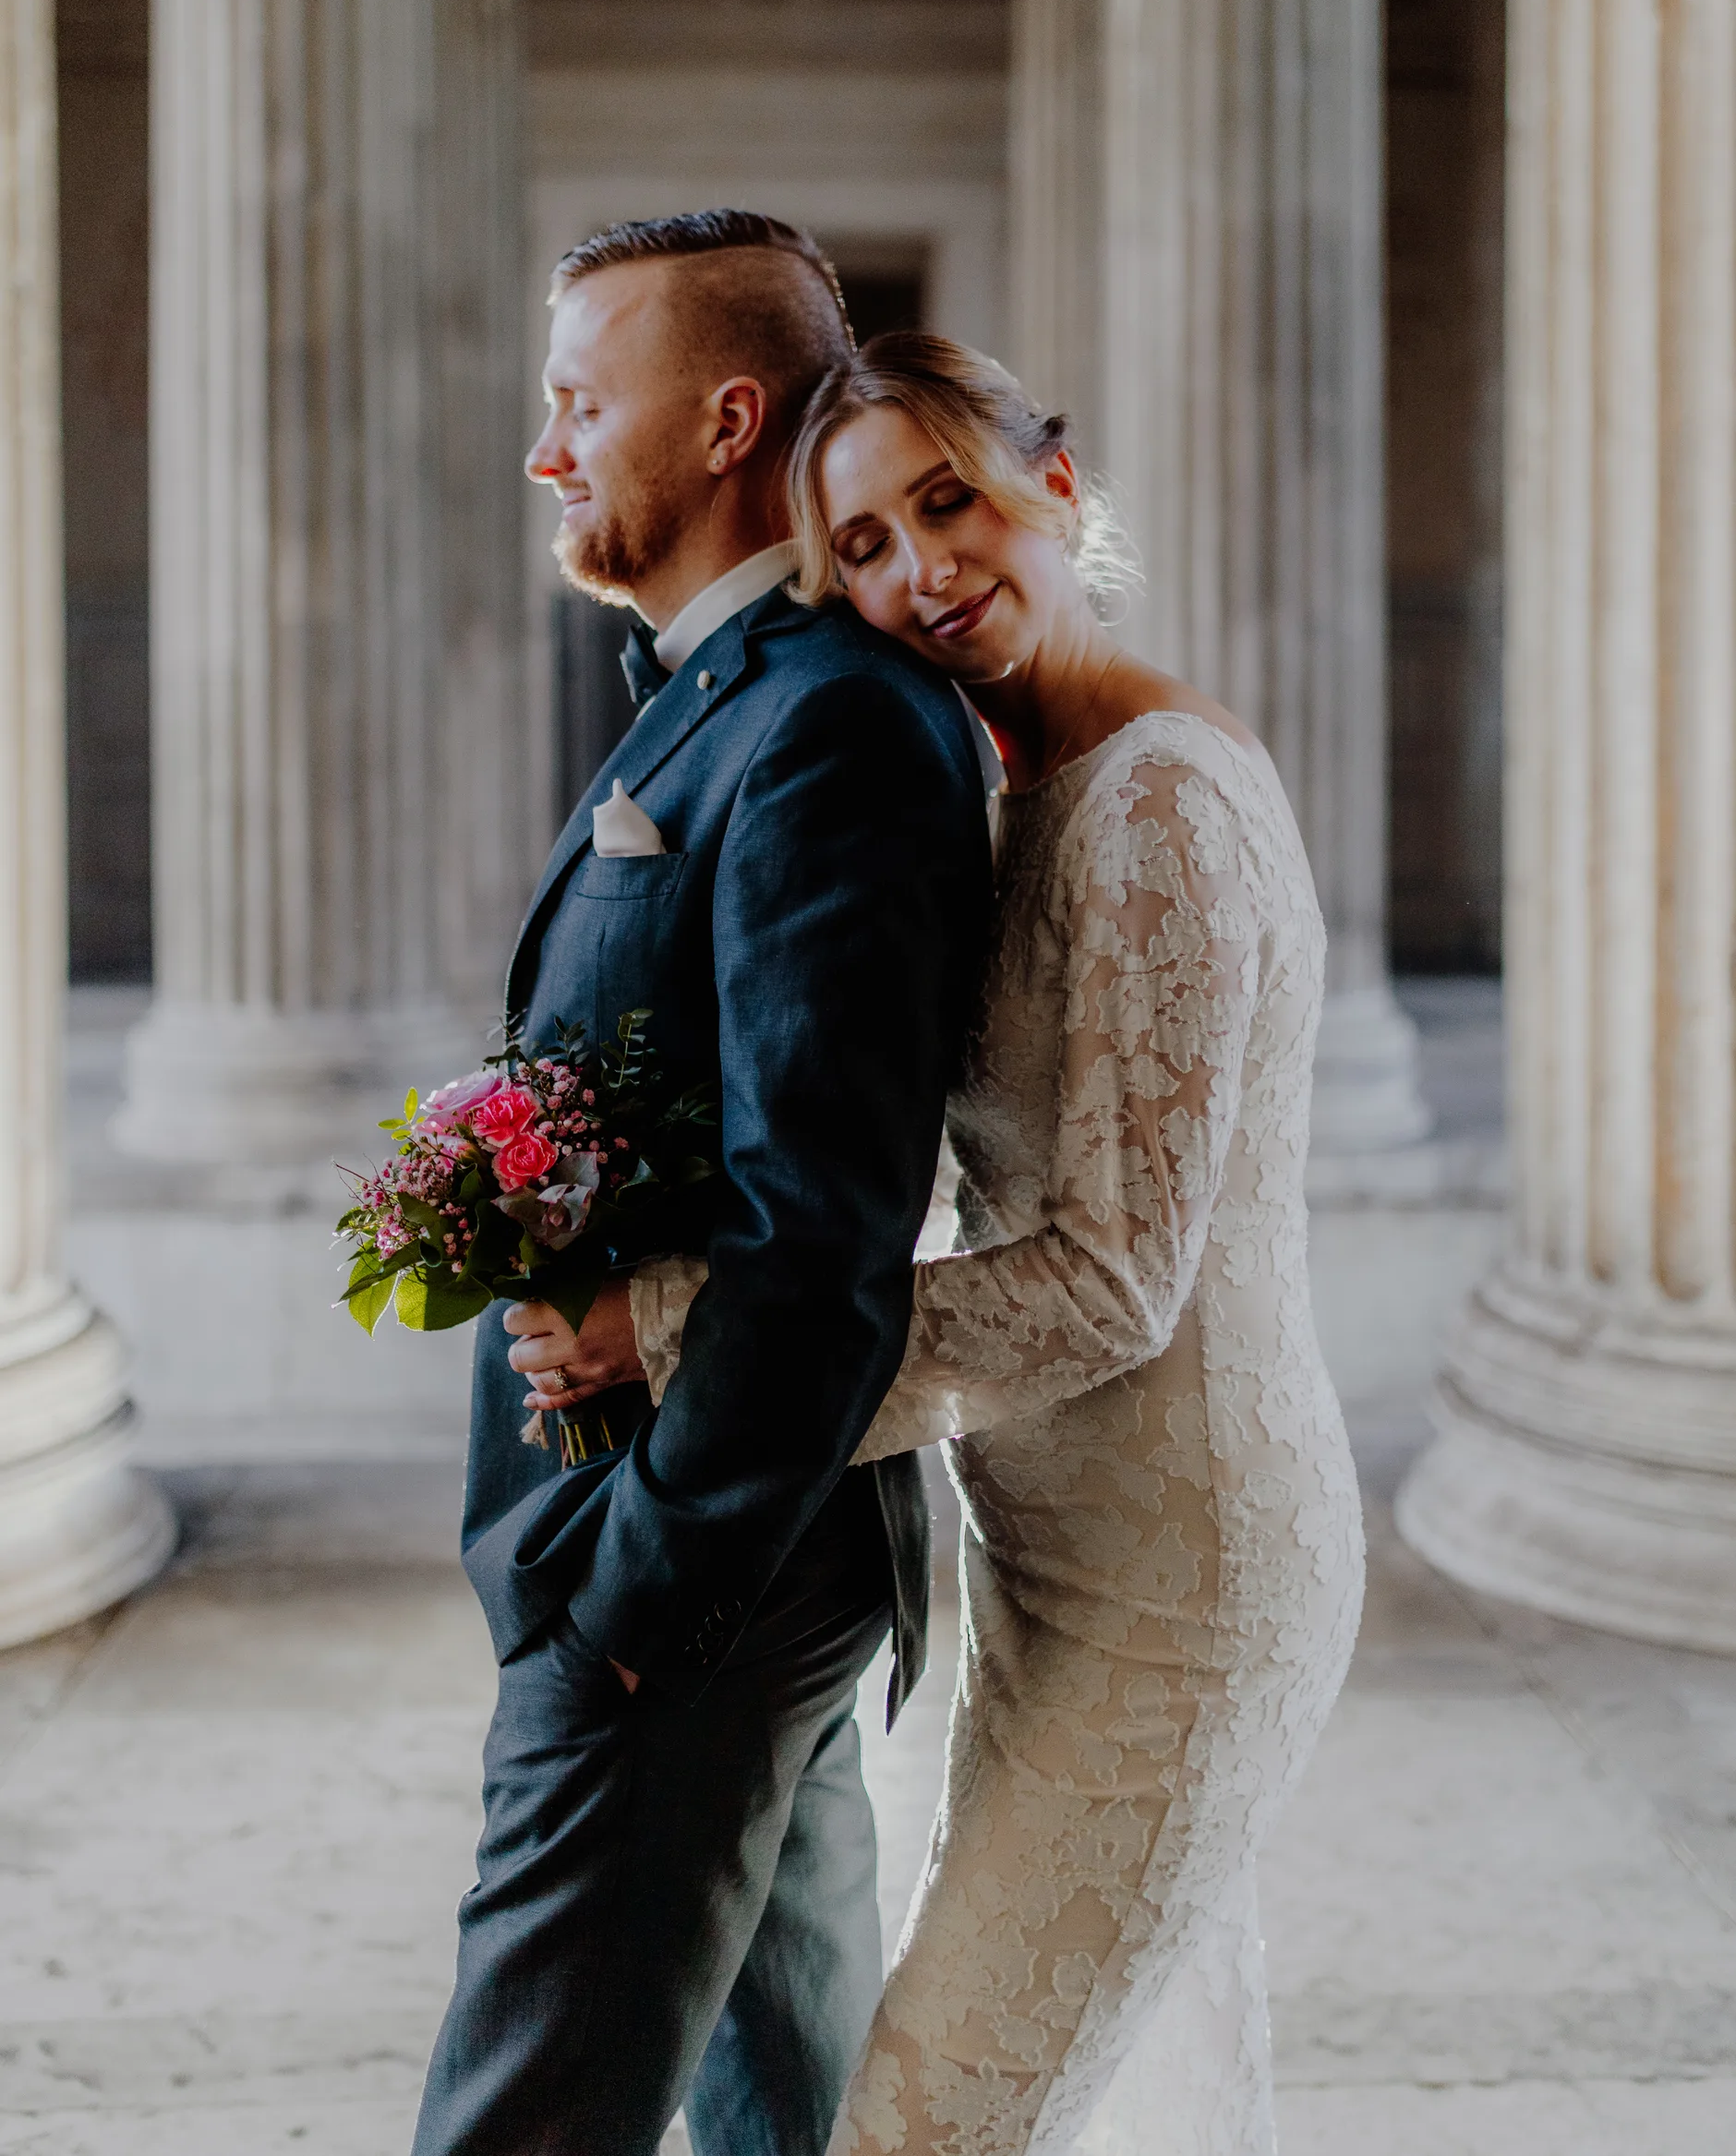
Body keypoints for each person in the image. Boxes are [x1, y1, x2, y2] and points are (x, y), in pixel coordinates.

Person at [542, 334, 1366, 2153]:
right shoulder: (1029, 777)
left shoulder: (1151, 805)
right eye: (864, 549)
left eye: (947, 504)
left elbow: (1107, 1279)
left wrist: (675, 1340)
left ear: (1053, 489)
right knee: (1044, 2094)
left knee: (923, 2124)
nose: (920, 573)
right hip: (1063, 1565)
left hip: (1183, 1587)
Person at [412, 227, 993, 2156]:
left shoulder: (825, 720)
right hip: (736, 1567)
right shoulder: (708, 688)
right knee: (783, 2115)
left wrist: (637, 1603)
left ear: (728, 418)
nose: (545, 446)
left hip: (696, 1583)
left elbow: (821, 1228)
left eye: (582, 400)